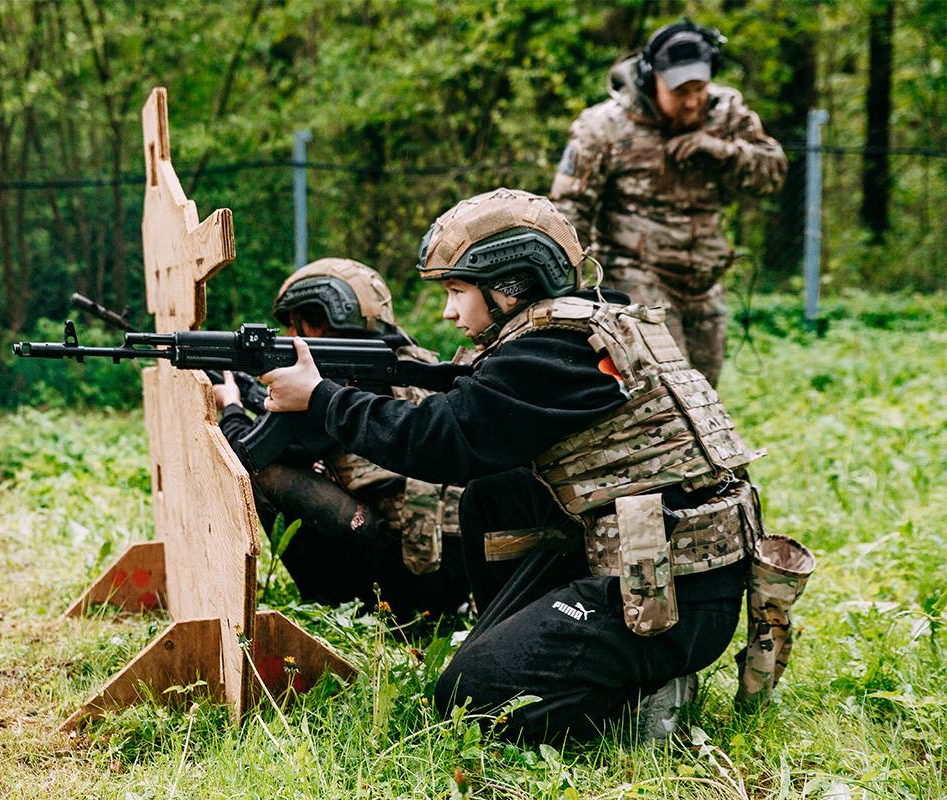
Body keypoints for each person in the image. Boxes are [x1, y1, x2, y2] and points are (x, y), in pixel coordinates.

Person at [260, 189, 811, 742]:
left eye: (457, 291)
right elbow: (473, 401)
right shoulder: (580, 331)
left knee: (472, 700)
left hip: (663, 600)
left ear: (511, 284)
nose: (449, 312)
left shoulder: (556, 350)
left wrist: (321, 399)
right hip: (667, 573)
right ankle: (523, 641)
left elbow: (444, 440)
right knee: (495, 490)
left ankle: (642, 695)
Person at [213, 257, 470, 621]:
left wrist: (232, 406)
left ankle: (336, 600)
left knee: (261, 471)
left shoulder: (339, 380)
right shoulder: (411, 364)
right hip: (454, 567)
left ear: (322, 321)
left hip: (414, 579)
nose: (289, 335)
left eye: (297, 324)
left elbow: (246, 453)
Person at [550, 19, 787, 387]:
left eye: (699, 89)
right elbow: (569, 209)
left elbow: (772, 172)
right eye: (679, 91)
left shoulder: (725, 113)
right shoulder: (604, 127)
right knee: (668, 389)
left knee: (703, 393)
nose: (691, 101)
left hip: (704, 279)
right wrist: (573, 292)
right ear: (651, 79)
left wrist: (720, 151)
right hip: (636, 277)